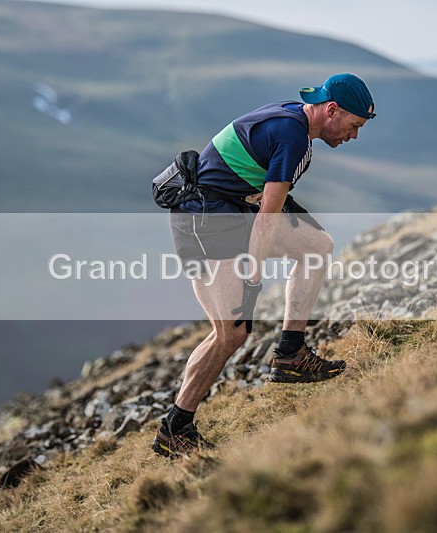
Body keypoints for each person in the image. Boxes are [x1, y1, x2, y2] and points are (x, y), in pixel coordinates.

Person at [152, 73, 376, 457]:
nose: (353, 136)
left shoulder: (294, 118)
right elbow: (268, 218)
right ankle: (175, 429)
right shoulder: (294, 138)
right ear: (332, 110)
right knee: (232, 333)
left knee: (317, 246)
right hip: (203, 220)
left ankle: (290, 354)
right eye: (354, 126)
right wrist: (252, 279)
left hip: (229, 208)